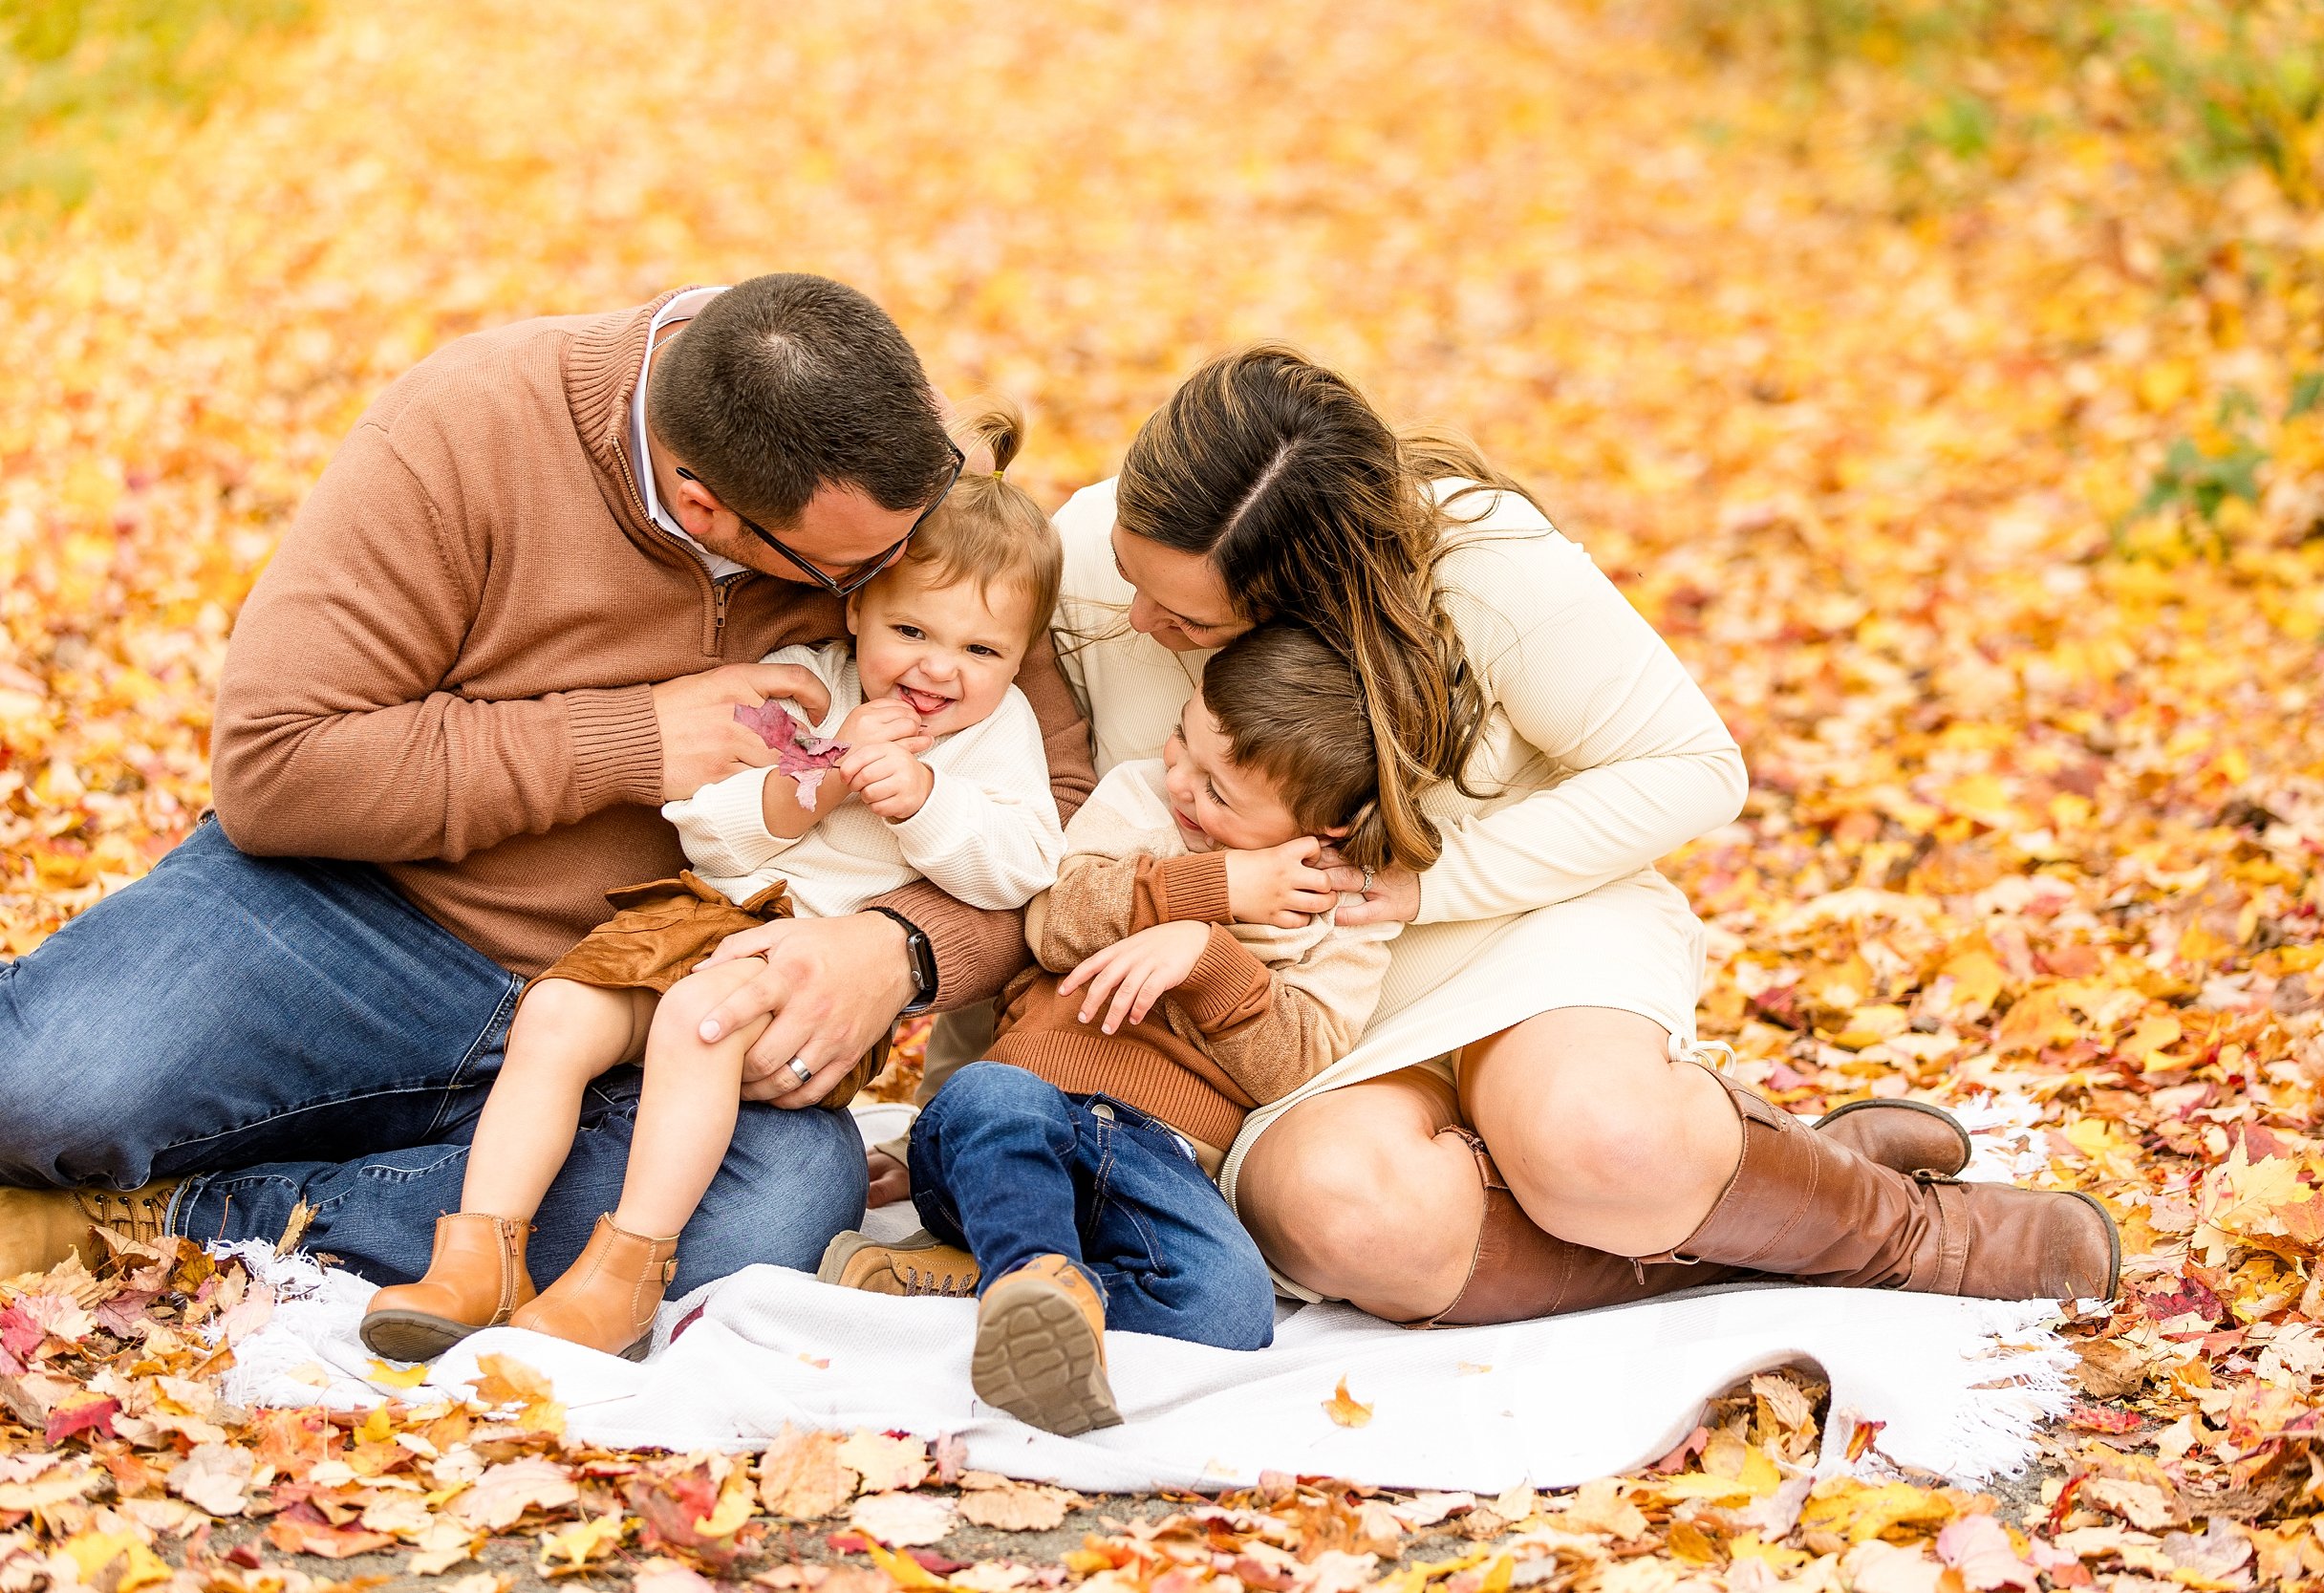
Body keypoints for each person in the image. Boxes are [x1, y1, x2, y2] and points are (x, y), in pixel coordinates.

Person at [867, 344, 2117, 1325]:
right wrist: (970, 1114)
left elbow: (1693, 766)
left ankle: (1903, 1232)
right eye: (1133, 571)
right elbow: (1056, 851)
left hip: (1515, 926)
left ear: (1311, 595)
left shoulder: (1482, 563)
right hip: (1294, 1020)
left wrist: (1430, 886)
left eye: (1184, 614)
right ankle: (1746, 1240)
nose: (1137, 615)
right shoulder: (1089, 563)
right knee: (1344, 1213)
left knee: (1596, 1140)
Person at [0, 276, 1096, 1298]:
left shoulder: (896, 485)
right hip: (356, 916)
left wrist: (901, 948)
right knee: (45, 1083)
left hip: (665, 998)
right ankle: (354, 1144)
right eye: (851, 578)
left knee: (769, 1209)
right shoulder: (466, 429)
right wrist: (630, 739)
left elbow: (1060, 805)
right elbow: (276, 761)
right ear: (705, 505)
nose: (886, 585)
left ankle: (176, 1211)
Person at [359, 403, 1066, 1362]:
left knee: (702, 1019)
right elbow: (707, 825)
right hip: (701, 915)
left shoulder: (996, 734)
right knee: (558, 1011)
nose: (939, 669)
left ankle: (625, 1275)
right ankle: (478, 1256)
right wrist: (807, 783)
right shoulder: (805, 684)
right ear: (856, 607)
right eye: (910, 628)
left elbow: (1024, 865)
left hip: (804, 965)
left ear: (1019, 656)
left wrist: (926, 802)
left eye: (981, 651)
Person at [857, 623, 1399, 1435]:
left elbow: (1300, 1062)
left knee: (1230, 1308)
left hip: (1161, 1156)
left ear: (1327, 828)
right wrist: (1211, 885)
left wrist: (1208, 955)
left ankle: (1004, 1286)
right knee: (989, 1098)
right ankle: (1035, 1275)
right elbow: (1050, 922)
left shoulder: (1343, 910)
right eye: (1183, 735)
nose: (1180, 777)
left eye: (1220, 793)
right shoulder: (1137, 799)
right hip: (1027, 1103)